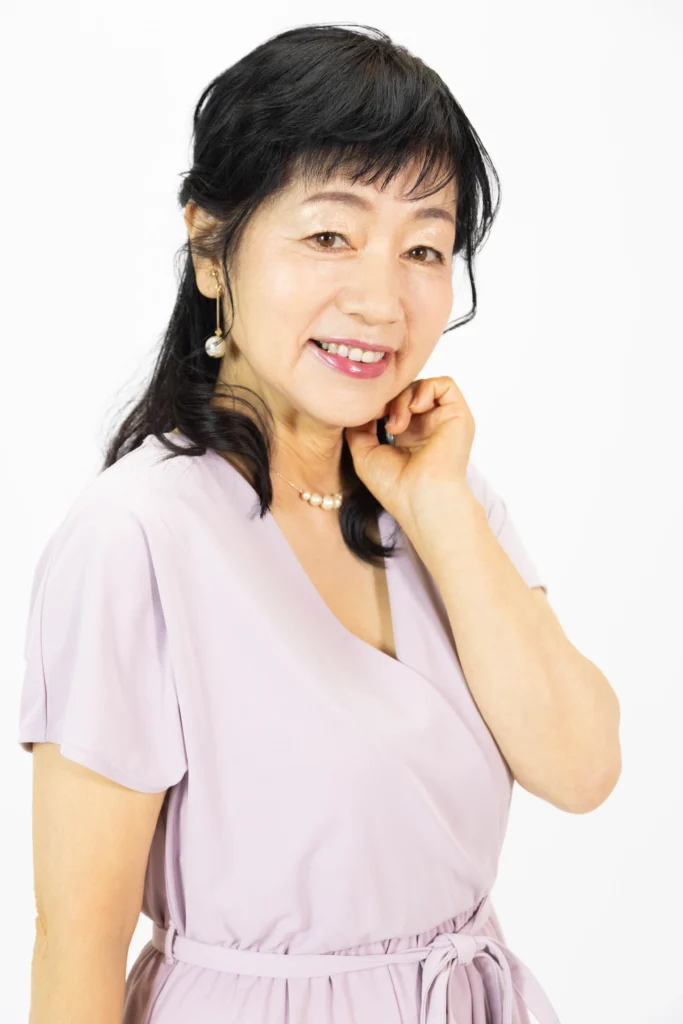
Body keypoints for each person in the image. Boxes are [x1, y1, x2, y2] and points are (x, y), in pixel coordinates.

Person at [17, 22, 621, 1024]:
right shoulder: (137, 537)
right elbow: (75, 949)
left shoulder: (442, 498)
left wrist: (439, 507)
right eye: (329, 236)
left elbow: (581, 766)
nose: (380, 301)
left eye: (422, 248)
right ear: (211, 249)